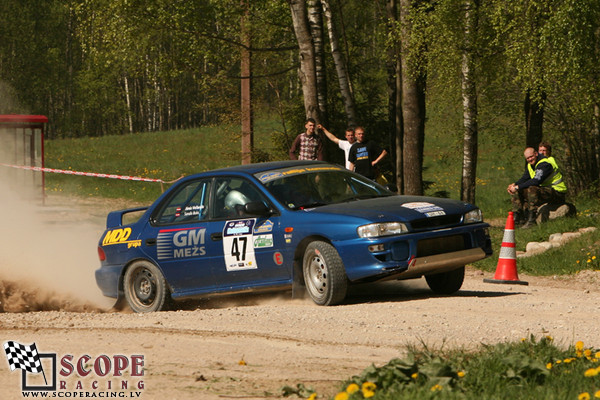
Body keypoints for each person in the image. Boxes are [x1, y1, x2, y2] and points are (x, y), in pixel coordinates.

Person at [507, 147, 567, 228]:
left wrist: (517, 187)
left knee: (532, 189)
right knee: (518, 190)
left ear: (536, 154)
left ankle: (532, 220)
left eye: (531, 157)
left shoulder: (544, 164)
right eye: (527, 158)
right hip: (546, 192)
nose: (530, 159)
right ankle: (517, 218)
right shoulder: (530, 165)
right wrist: (514, 185)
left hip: (557, 192)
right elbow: (525, 178)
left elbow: (536, 181)